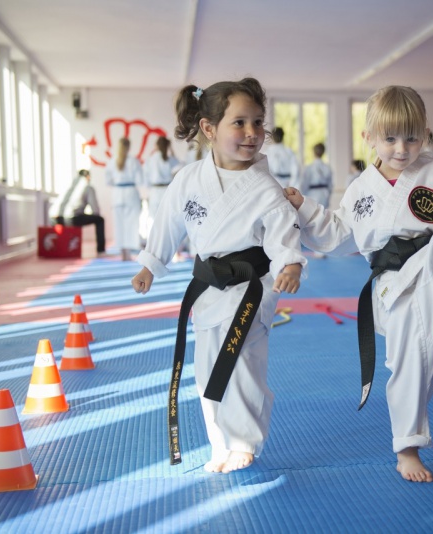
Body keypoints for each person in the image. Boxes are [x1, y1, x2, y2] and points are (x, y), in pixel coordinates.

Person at [284, 86, 433, 483]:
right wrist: (302, 207)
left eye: (411, 137)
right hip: (393, 287)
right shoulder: (360, 191)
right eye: (390, 138)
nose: (402, 148)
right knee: (414, 355)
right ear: (368, 138)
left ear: (425, 134)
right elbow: (338, 235)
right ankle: (406, 446)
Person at [131, 77, 305, 475]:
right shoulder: (189, 180)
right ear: (209, 129)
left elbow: (282, 234)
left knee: (241, 363)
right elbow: (167, 222)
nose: (252, 133)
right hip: (209, 286)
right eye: (239, 123)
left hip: (251, 287)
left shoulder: (265, 188)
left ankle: (244, 441)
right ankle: (220, 443)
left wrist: (290, 264)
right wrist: (151, 263)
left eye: (258, 123)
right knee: (207, 367)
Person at [51, 169, 107, 256]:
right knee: (100, 220)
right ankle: (101, 251)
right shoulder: (88, 187)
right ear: (88, 177)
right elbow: (95, 210)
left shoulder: (68, 185)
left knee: (76, 215)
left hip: (55, 218)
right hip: (72, 219)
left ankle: (54, 249)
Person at [105, 137, 144, 261]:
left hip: (117, 193)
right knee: (131, 224)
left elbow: (108, 181)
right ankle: (128, 253)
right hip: (130, 193)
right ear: (129, 147)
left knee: (119, 224)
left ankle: (123, 253)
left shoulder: (112, 161)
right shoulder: (134, 161)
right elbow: (140, 180)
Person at [144, 136, 182, 230]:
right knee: (167, 218)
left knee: (155, 218)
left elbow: (146, 177)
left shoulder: (150, 159)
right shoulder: (169, 159)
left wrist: (149, 189)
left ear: (156, 145)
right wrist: (171, 149)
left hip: (154, 190)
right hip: (166, 189)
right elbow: (180, 164)